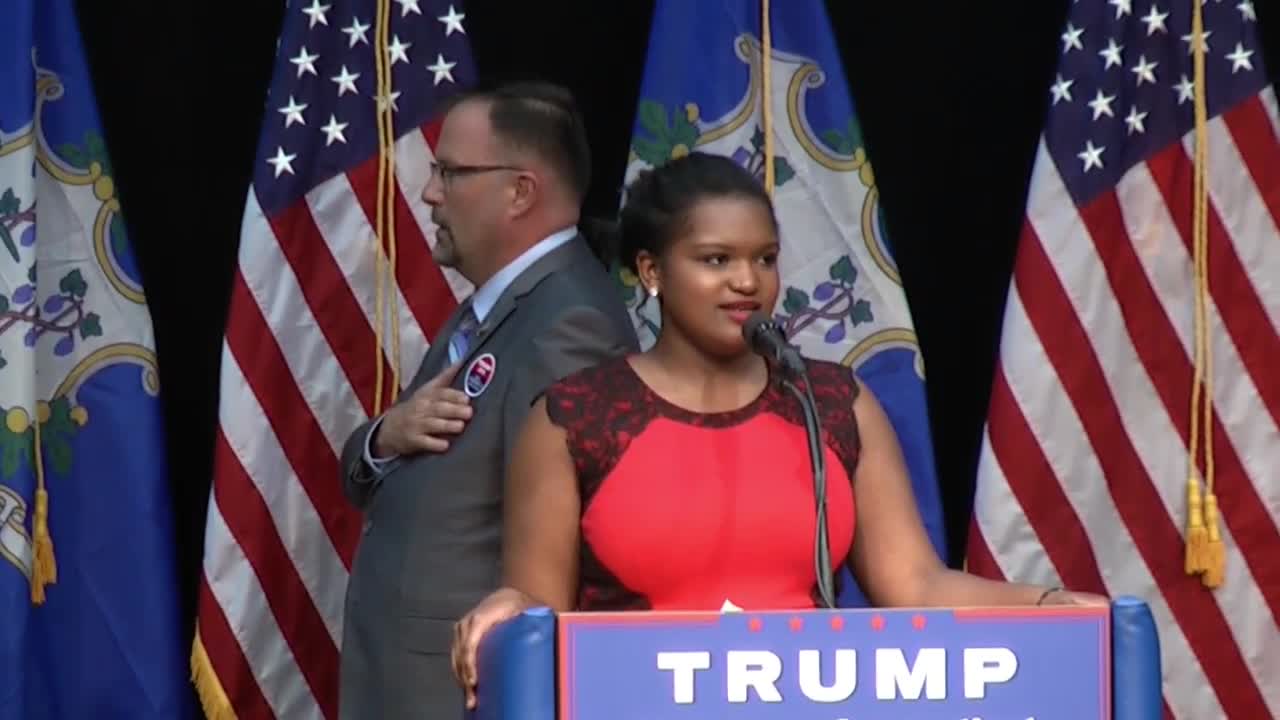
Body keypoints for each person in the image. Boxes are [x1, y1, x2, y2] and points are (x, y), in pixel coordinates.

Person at [449, 151, 1108, 709]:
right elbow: (538, 603)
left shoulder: (833, 402)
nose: (748, 282)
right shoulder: (575, 416)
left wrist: (1048, 606)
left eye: (765, 258)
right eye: (715, 260)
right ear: (650, 271)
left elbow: (915, 585)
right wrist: (506, 608)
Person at [336, 81, 639, 719]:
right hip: (415, 679)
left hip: (468, 687)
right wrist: (382, 438)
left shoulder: (569, 323)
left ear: (521, 191)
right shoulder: (493, 306)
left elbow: (563, 542)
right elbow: (399, 477)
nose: (430, 193)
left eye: (450, 172)